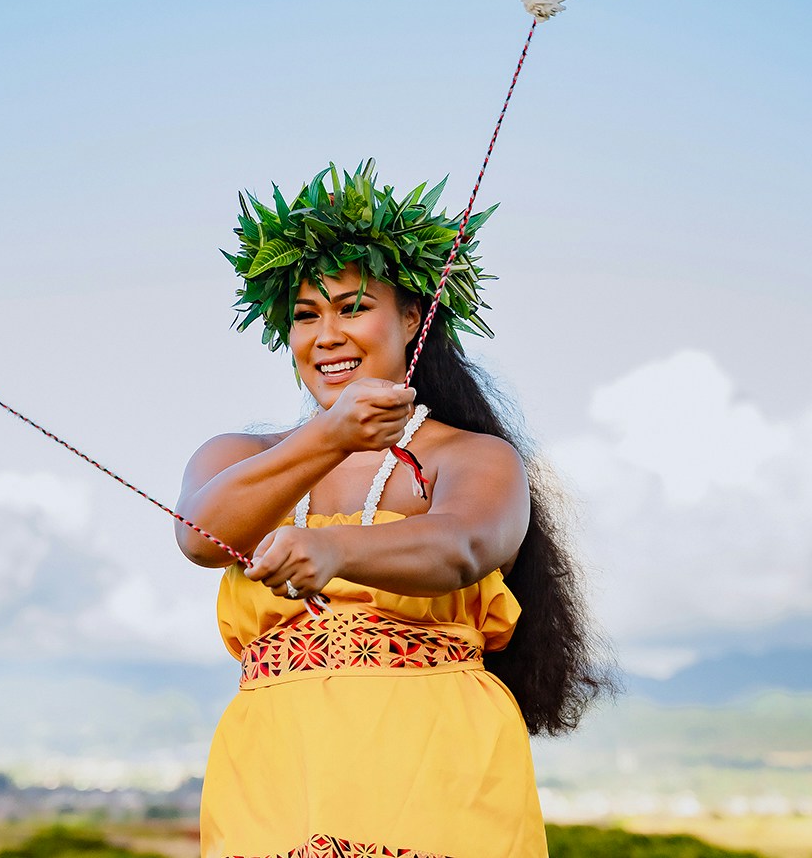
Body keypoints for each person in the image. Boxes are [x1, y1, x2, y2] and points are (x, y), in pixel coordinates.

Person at [177, 161, 612, 858]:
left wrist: (337, 552)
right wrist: (329, 437)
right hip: (277, 770)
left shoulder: (474, 457)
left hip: (434, 763)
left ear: (413, 316)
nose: (327, 335)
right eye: (305, 315)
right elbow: (200, 535)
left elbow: (465, 545)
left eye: (353, 307)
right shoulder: (237, 454)